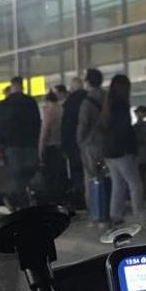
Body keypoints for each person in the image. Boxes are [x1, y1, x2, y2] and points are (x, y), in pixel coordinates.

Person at [0, 76, 42, 209]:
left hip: (12, 146)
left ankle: (22, 205)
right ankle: (32, 200)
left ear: (12, 86)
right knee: (30, 175)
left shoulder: (4, 104)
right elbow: (38, 124)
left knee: (17, 178)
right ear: (22, 86)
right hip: (30, 146)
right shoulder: (31, 102)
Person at [102, 74, 143, 225]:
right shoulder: (121, 104)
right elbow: (124, 129)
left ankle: (115, 216)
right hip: (122, 151)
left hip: (110, 151)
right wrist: (132, 149)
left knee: (118, 184)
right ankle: (139, 216)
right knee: (135, 184)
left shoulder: (109, 103)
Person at [76, 69, 107, 216]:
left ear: (88, 82)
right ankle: (105, 209)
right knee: (105, 177)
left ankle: (94, 212)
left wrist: (79, 141)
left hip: (90, 145)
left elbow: (83, 125)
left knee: (90, 178)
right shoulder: (108, 98)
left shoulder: (87, 102)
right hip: (107, 144)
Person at [61, 77, 87, 207]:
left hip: (73, 144)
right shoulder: (90, 99)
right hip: (90, 143)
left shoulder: (69, 102)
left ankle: (81, 200)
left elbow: (66, 125)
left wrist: (64, 146)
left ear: (72, 87)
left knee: (77, 172)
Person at [38, 91, 65, 204]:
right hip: (62, 147)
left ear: (47, 101)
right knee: (60, 176)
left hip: (51, 147)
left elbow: (45, 132)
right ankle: (61, 199)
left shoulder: (49, 112)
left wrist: (40, 150)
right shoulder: (63, 110)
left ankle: (53, 202)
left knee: (50, 177)